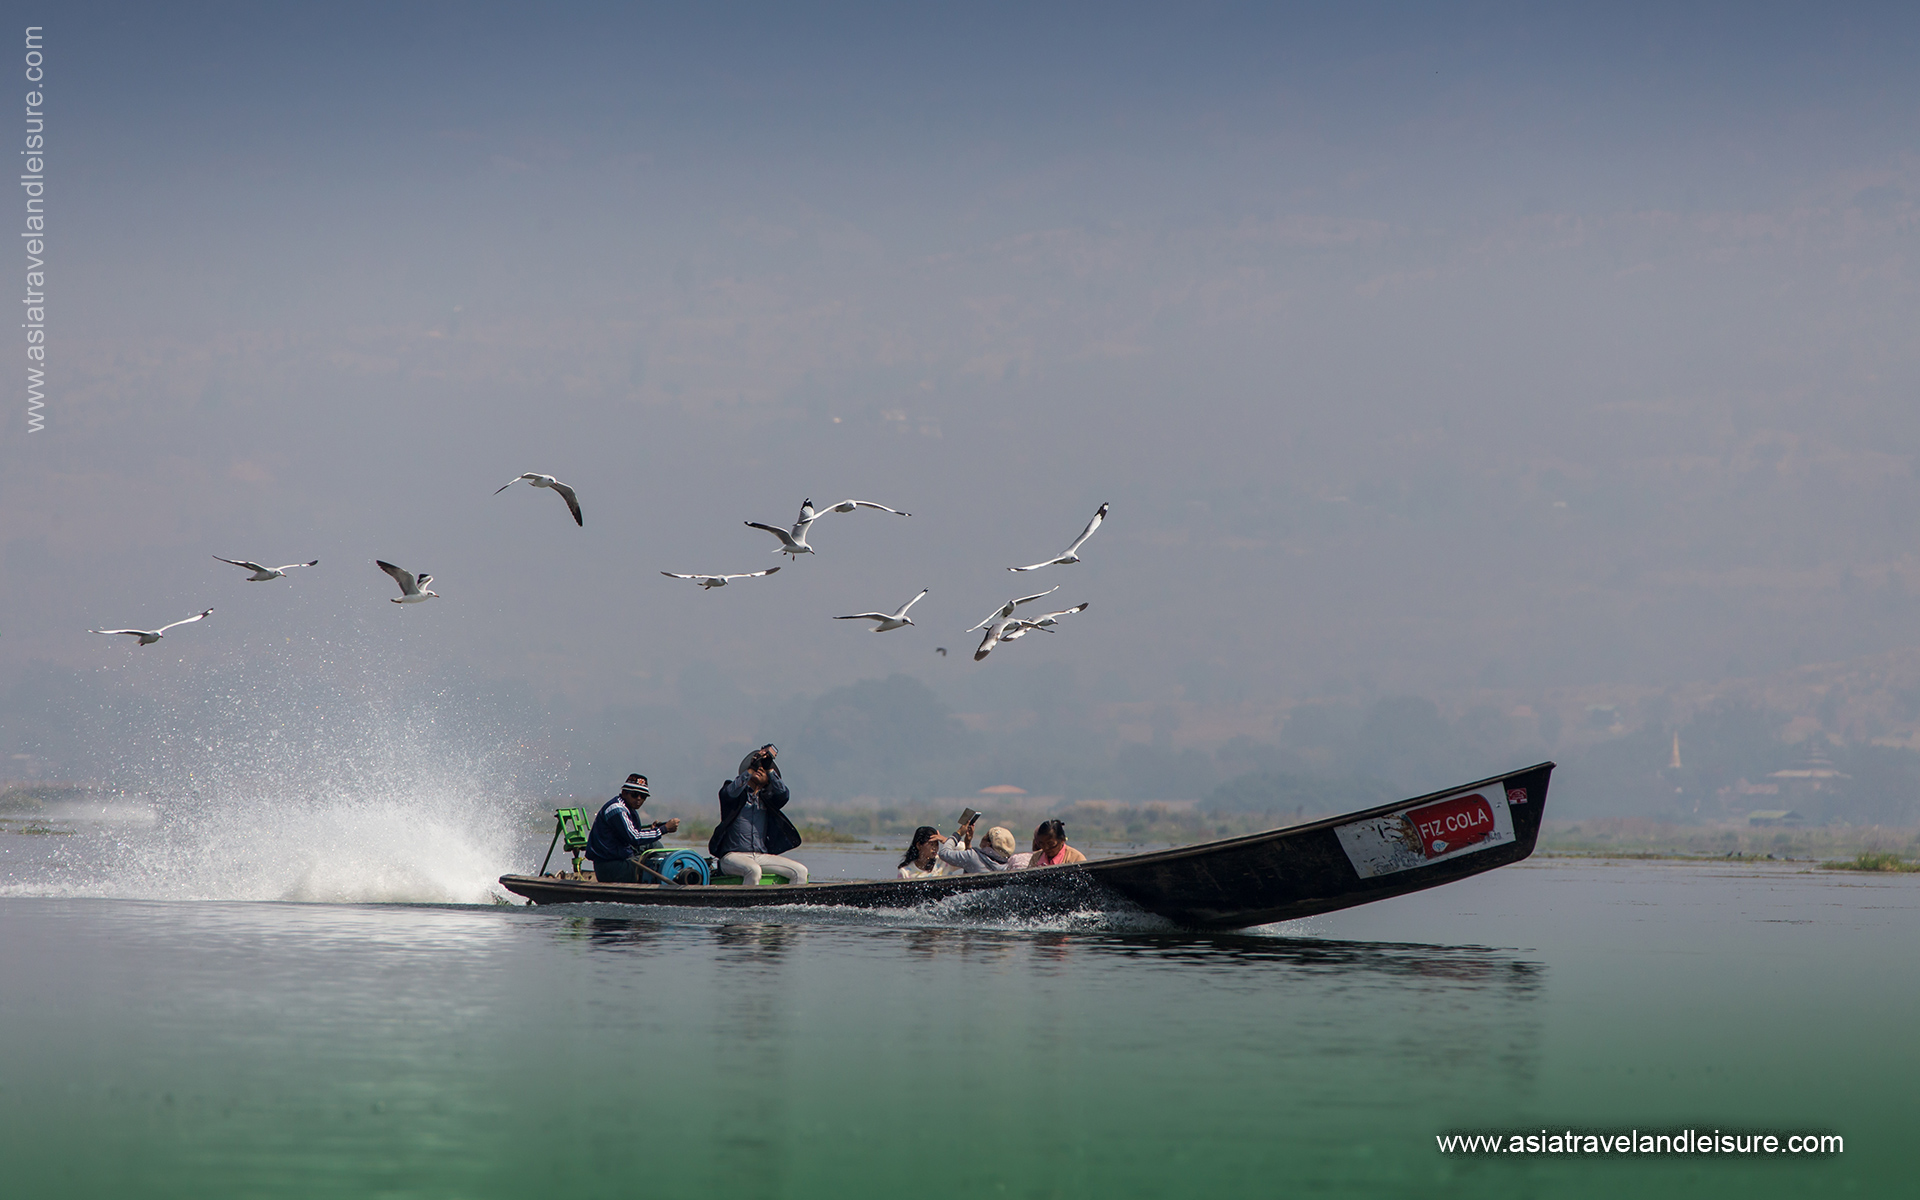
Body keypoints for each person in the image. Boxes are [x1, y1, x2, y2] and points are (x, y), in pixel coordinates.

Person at [709, 744, 809, 885]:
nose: (759, 770)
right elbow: (730, 792)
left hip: (760, 856)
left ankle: (791, 905)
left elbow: (784, 794)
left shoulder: (768, 799)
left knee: (800, 871)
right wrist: (751, 769)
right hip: (732, 857)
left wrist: (770, 769)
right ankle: (749, 906)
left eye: (763, 770)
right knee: (754, 870)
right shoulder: (734, 794)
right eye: (758, 768)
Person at [587, 774, 682, 882]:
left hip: (620, 856)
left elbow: (632, 834)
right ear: (624, 793)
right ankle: (662, 878)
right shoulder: (617, 810)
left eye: (643, 796)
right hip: (609, 867)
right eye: (635, 795)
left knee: (655, 845)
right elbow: (634, 837)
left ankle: (661, 874)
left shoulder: (628, 808)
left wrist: (653, 830)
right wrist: (663, 829)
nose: (639, 799)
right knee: (652, 864)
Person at [937, 819, 1017, 874]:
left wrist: (958, 834)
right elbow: (972, 863)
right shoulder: (1008, 864)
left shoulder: (973, 856)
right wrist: (967, 843)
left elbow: (944, 853)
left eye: (986, 836)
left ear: (988, 844)